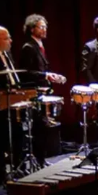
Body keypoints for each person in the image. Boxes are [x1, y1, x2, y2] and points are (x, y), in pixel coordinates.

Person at [19, 14, 67, 166]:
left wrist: (52, 77)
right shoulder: (28, 47)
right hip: (33, 93)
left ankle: (41, 159)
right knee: (39, 128)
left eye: (46, 26)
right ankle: (38, 160)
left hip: (42, 91)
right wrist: (46, 75)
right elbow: (25, 72)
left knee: (43, 127)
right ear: (32, 29)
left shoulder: (39, 45)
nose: (45, 29)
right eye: (41, 27)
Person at [0, 26, 23, 186]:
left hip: (14, 99)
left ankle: (19, 166)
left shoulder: (7, 54)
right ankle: (1, 174)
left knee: (18, 133)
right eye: (7, 38)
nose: (11, 41)